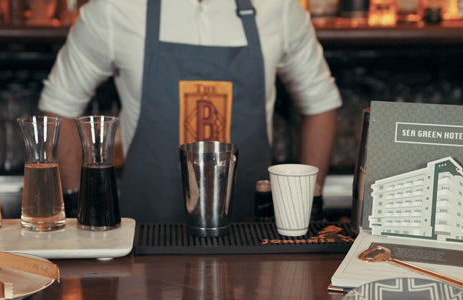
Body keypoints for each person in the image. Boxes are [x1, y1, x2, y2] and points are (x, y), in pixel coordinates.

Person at [38, 0, 342, 223]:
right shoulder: (114, 9)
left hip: (251, 233)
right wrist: (78, 205)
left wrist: (307, 205)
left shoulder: (280, 9)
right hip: (145, 233)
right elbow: (59, 105)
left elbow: (321, 103)